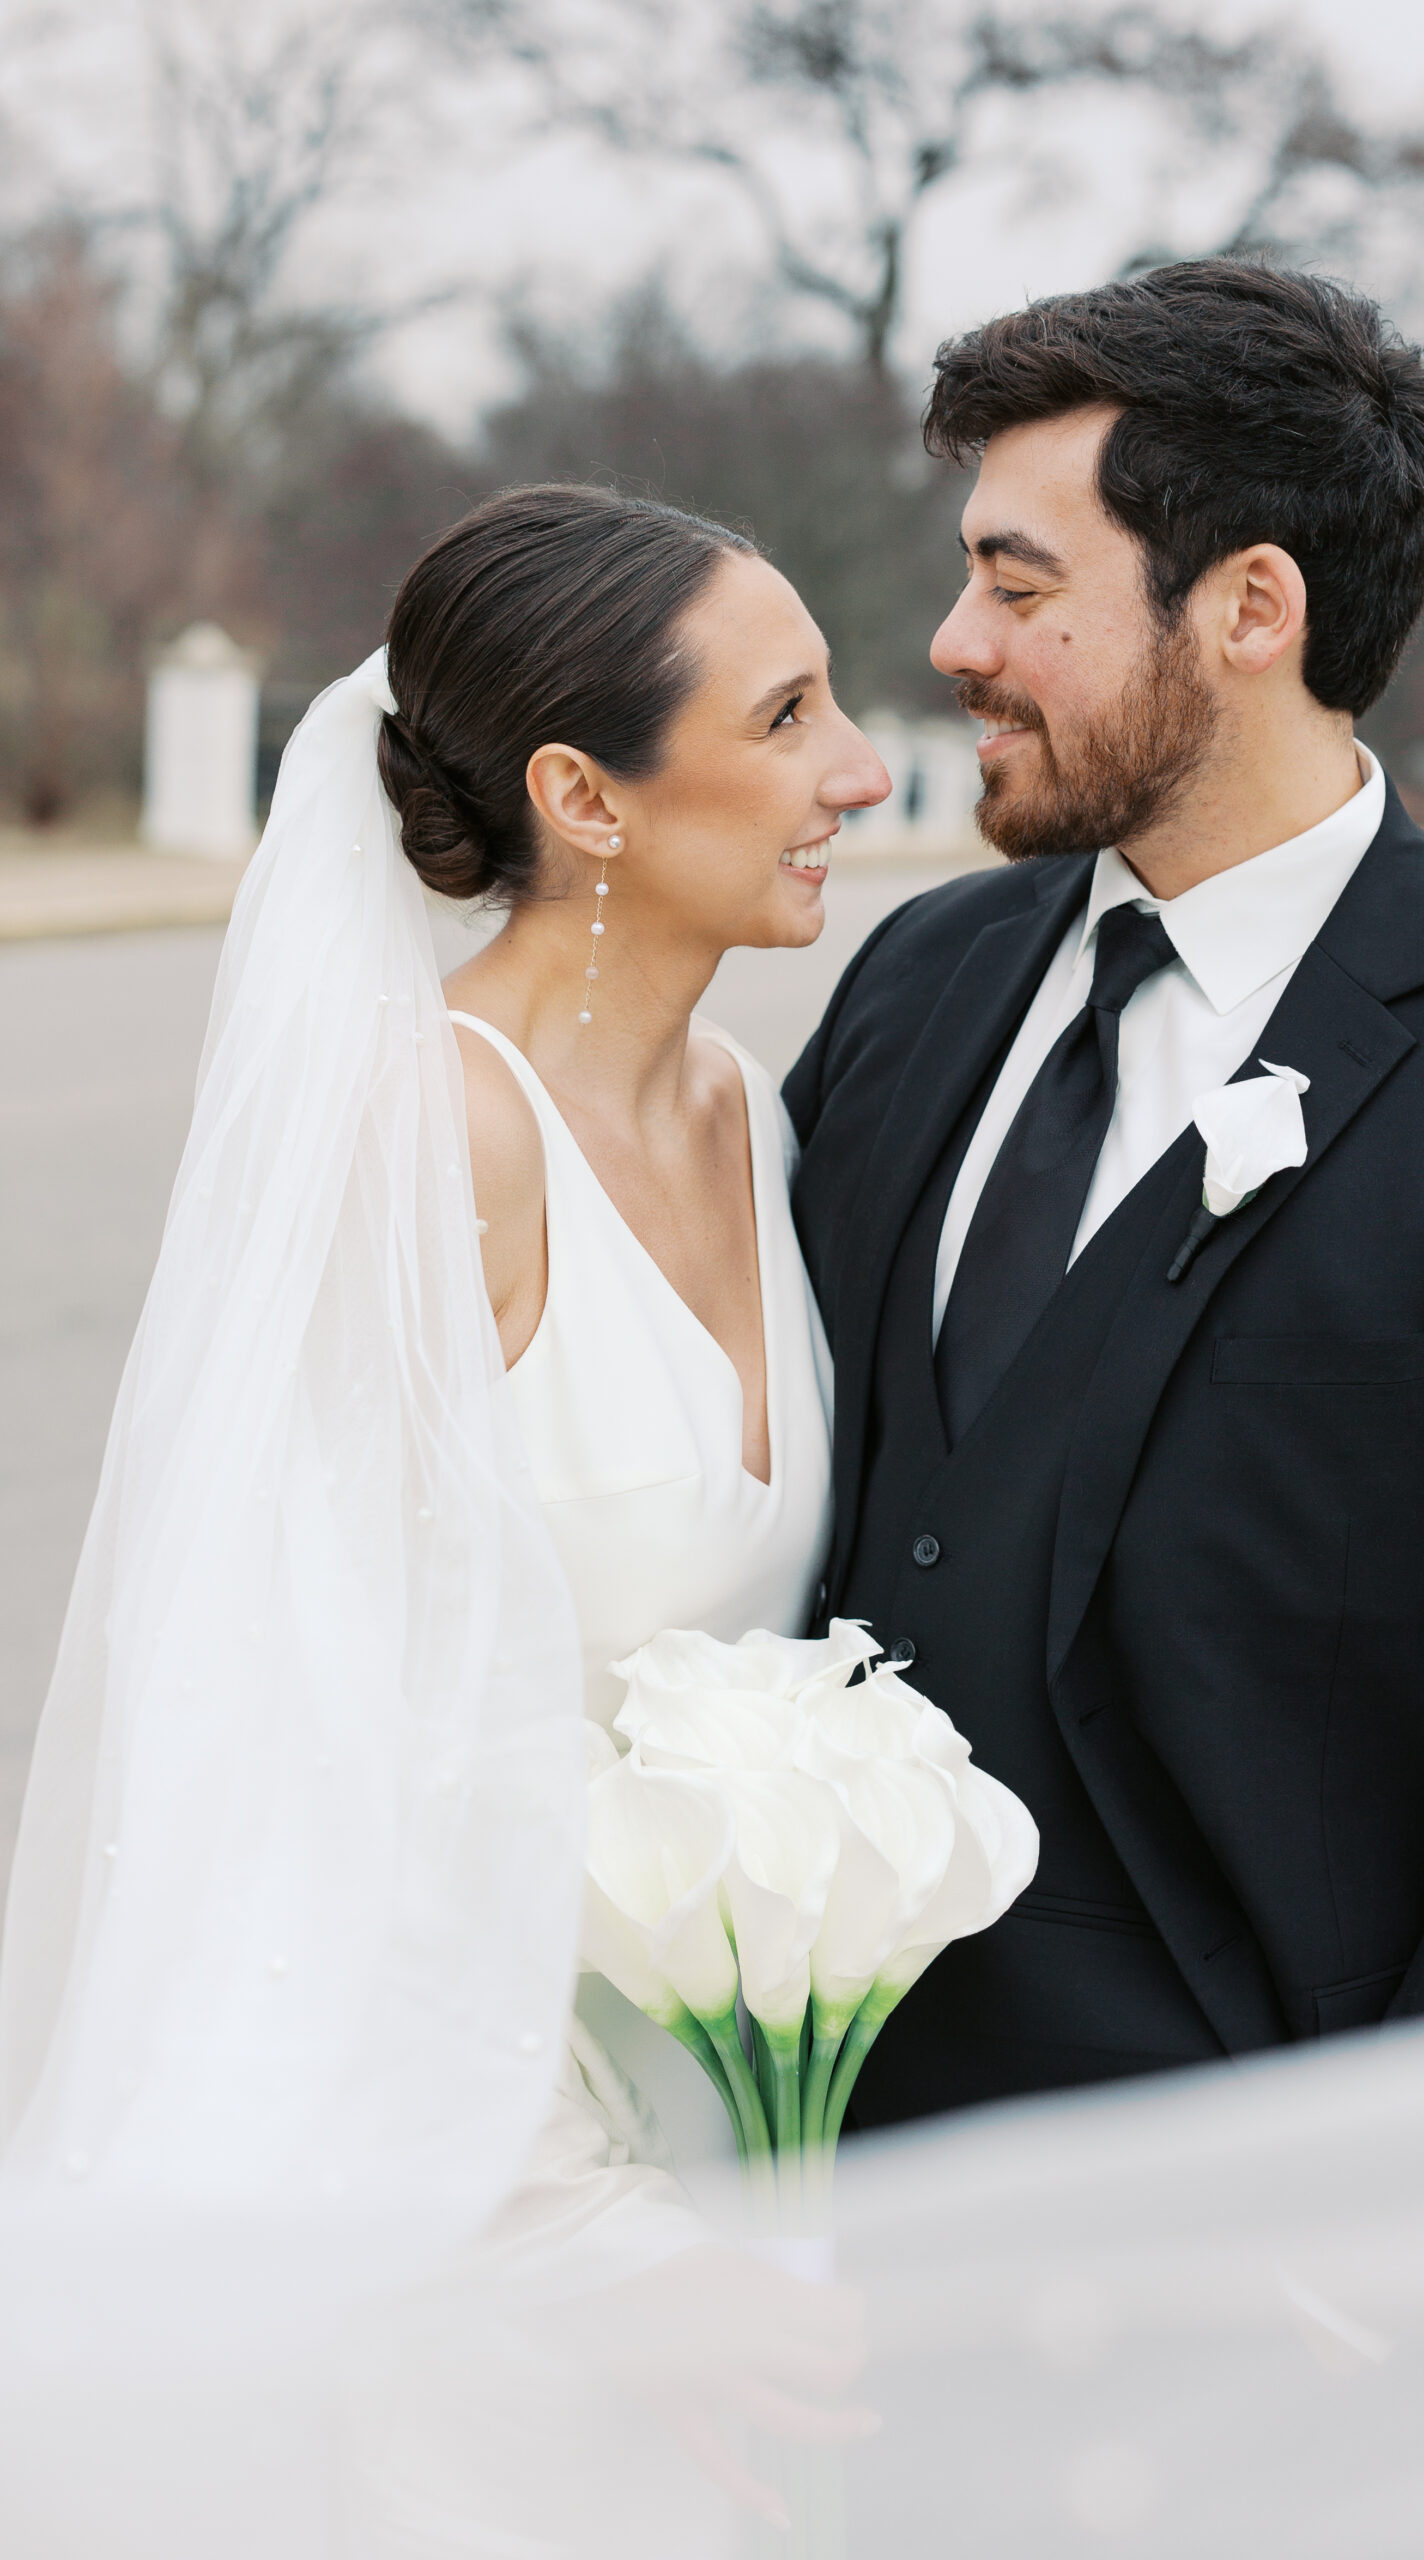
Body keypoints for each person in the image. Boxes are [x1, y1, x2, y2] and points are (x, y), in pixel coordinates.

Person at [784, 260, 1424, 2130]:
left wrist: (1366, 2234)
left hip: (1249, 2276)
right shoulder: (916, 984)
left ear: (1252, 605)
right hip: (802, 2205)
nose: (952, 642)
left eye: (1019, 584)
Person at [0, 483, 886, 2540]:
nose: (856, 768)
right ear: (584, 793)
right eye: (785, 718)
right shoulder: (427, 1133)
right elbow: (294, 1768)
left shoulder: (741, 1105)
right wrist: (592, 2249)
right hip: (453, 2220)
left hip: (717, 2163)